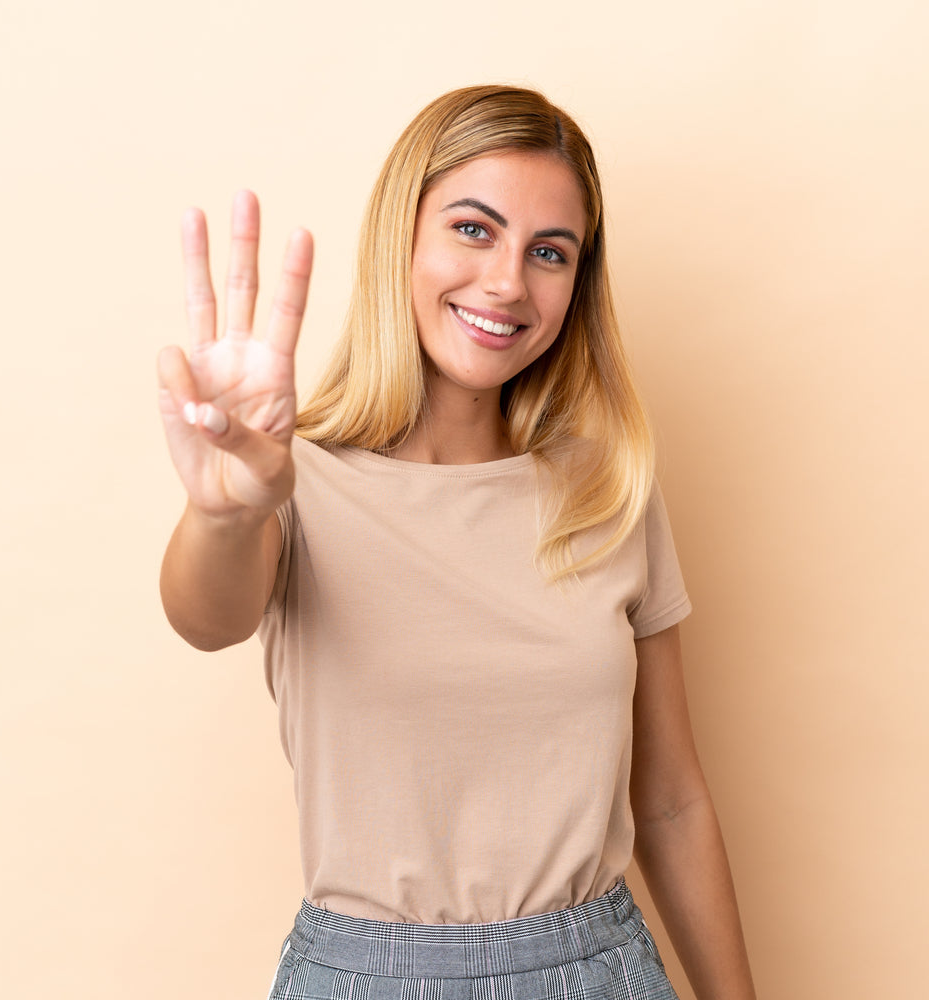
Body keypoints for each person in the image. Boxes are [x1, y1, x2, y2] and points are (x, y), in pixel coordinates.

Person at [156, 84, 756, 1000]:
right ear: (404, 235)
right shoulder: (289, 480)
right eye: (473, 230)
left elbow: (670, 799)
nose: (508, 281)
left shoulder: (608, 488)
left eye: (547, 253)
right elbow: (205, 618)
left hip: (598, 972)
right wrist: (228, 510)